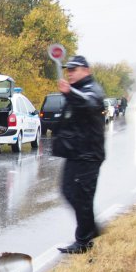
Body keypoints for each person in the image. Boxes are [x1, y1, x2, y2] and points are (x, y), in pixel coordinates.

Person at [53, 55, 105, 254]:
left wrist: (69, 92)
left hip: (89, 155)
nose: (70, 73)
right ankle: (91, 228)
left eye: (74, 70)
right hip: (76, 153)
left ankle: (83, 242)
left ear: (86, 71)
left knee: (83, 197)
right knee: (67, 191)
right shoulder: (78, 91)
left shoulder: (92, 90)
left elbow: (90, 105)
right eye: (69, 70)